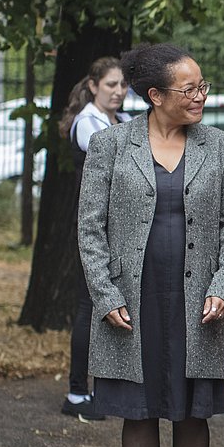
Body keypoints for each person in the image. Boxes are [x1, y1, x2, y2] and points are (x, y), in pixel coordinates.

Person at [77, 43, 224, 447]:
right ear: (156, 95)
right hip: (133, 300)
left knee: (192, 412)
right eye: (189, 89)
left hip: (197, 302)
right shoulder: (110, 144)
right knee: (139, 409)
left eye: (202, 87)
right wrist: (105, 293)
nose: (200, 97)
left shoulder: (220, 145)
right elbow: (90, 227)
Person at [58, 56, 131, 420]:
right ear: (93, 86)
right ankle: (75, 394)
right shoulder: (89, 123)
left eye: (122, 85)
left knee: (112, 306)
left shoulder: (123, 120)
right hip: (95, 227)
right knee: (90, 307)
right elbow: (117, 163)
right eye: (110, 85)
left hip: (119, 227)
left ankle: (107, 388)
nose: (118, 92)